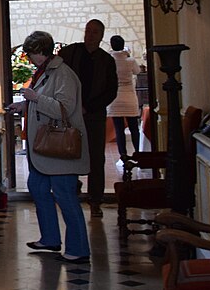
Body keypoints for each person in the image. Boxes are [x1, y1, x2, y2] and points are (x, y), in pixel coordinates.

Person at [15, 29, 91, 262]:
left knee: (65, 196)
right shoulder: (45, 72)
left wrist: (34, 98)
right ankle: (50, 239)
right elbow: (45, 102)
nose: (28, 58)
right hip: (43, 151)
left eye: (30, 53)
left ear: (41, 51)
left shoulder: (63, 74)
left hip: (60, 150)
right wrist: (22, 107)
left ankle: (78, 250)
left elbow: (63, 109)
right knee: (37, 188)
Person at [59, 19, 117, 218]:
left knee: (95, 158)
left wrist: (89, 107)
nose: (90, 35)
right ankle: (71, 193)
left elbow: (111, 91)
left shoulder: (107, 61)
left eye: (94, 32)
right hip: (71, 115)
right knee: (70, 154)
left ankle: (95, 200)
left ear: (101, 36)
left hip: (94, 116)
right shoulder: (70, 53)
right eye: (88, 31)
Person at [107, 35, 141, 157]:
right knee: (134, 128)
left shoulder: (109, 60)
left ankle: (123, 155)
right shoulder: (130, 61)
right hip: (129, 98)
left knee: (119, 130)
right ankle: (137, 153)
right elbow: (137, 71)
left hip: (115, 98)